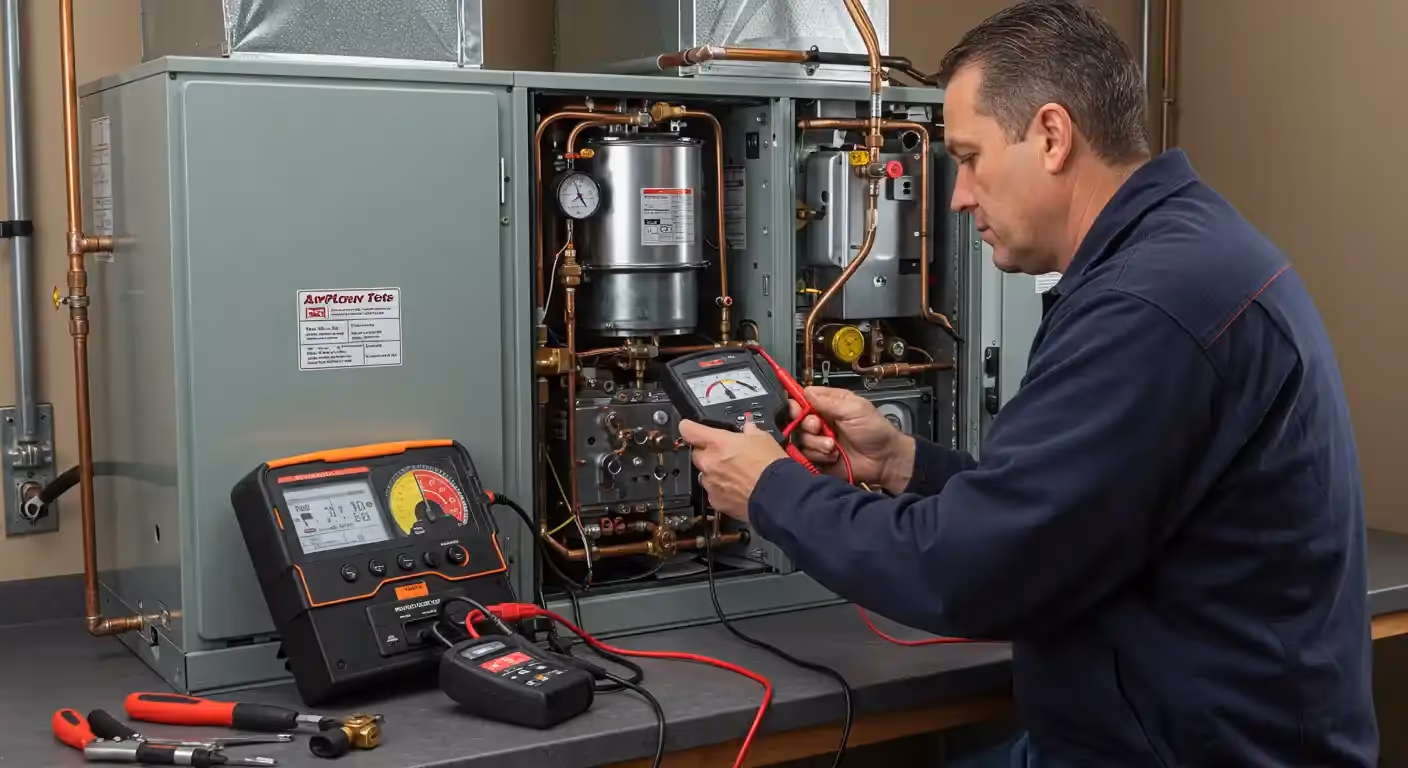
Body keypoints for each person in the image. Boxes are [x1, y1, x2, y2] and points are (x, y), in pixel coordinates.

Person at [677, 1, 1379, 765]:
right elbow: (1070, 508)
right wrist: (904, 464)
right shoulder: (1178, 253)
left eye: (970, 157)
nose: (958, 196)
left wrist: (771, 491)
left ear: (1051, 135)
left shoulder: (1150, 308)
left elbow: (973, 573)